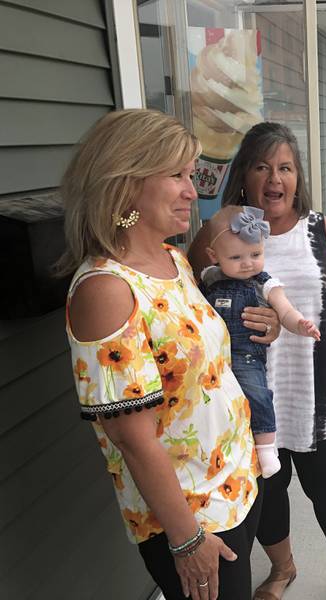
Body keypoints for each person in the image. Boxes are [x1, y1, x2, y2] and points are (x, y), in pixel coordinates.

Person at [188, 122, 326, 600]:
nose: (274, 178)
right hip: (249, 399)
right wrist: (242, 322)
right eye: (263, 166)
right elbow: (194, 308)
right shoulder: (218, 228)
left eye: (285, 167)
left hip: (319, 394)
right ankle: (282, 569)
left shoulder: (317, 228)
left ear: (298, 176)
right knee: (268, 494)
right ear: (244, 173)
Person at [62, 109, 263, 600]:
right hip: (191, 517)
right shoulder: (107, 289)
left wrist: (267, 322)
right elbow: (131, 437)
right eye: (177, 175)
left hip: (234, 482)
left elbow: (199, 357)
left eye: (191, 175)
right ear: (126, 182)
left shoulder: (172, 258)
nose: (193, 191)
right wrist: (187, 539)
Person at [200, 204, 321, 478]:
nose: (247, 263)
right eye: (236, 257)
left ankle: (266, 448)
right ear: (213, 256)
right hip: (213, 356)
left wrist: (300, 324)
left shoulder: (265, 283)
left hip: (245, 355)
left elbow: (286, 311)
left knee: (257, 393)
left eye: (256, 254)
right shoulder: (208, 279)